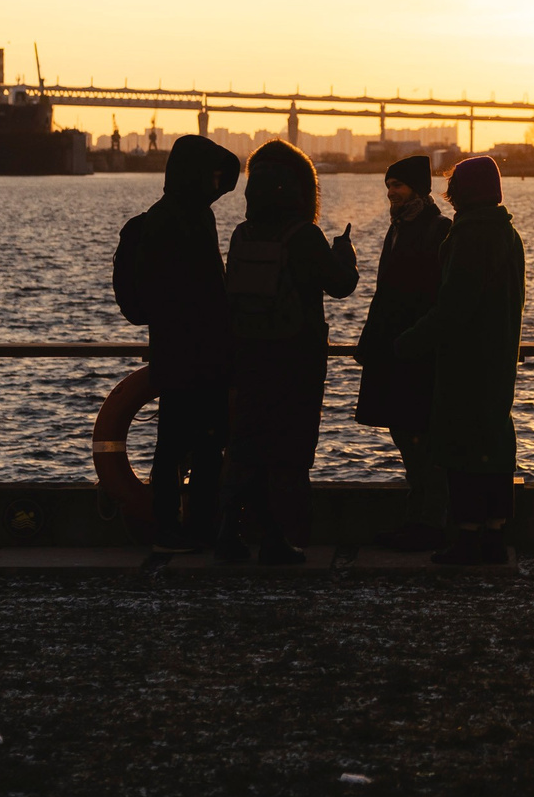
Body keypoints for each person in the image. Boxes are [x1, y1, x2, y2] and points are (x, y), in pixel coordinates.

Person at [220, 139, 358, 565]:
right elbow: (340, 285)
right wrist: (345, 257)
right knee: (290, 452)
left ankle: (229, 535)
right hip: (295, 361)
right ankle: (280, 539)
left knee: (246, 448)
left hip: (247, 358)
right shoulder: (304, 235)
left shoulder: (243, 234)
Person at [110, 135, 241, 552]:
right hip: (193, 353)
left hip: (182, 353)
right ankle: (179, 526)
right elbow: (193, 291)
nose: (219, 182)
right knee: (186, 447)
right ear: (195, 174)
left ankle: (185, 526)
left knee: (188, 446)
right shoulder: (177, 220)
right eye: (213, 174)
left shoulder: (189, 214)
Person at [395, 154, 525, 565]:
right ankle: (494, 535)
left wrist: (409, 341)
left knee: (461, 447)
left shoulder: (470, 235)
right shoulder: (508, 234)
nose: (448, 196)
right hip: (499, 357)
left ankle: (467, 536)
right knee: (495, 445)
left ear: (464, 192)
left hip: (465, 361)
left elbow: (454, 307)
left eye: (454, 188)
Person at [354, 152, 450, 550]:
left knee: (418, 436)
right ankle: (421, 519)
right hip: (393, 348)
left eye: (398, 185)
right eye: (389, 186)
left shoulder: (436, 228)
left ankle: (427, 523)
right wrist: (369, 339)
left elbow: (433, 294)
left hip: (416, 351)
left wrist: (410, 337)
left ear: (418, 188)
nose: (391, 192)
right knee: (405, 432)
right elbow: (385, 292)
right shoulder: (398, 228)